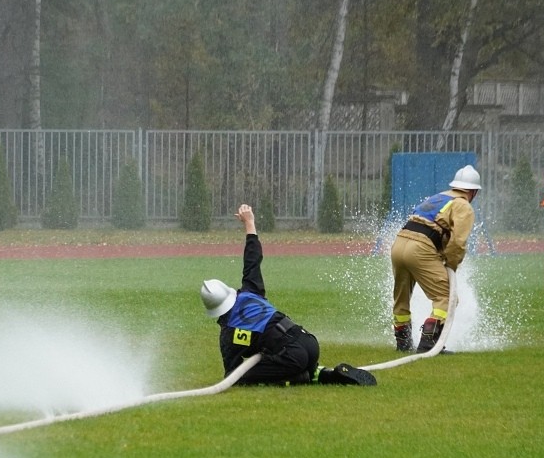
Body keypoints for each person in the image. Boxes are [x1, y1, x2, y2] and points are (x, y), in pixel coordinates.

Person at [200, 203, 376, 387]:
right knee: (283, 359)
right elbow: (252, 259)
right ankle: (327, 375)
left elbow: (231, 376)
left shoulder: (229, 332)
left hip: (292, 355)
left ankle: (297, 378)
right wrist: (249, 222)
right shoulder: (249, 292)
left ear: (215, 311)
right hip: (308, 341)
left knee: (242, 378)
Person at [390, 164, 481, 353]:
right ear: (473, 192)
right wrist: (451, 263)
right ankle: (428, 342)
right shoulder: (463, 205)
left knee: (401, 297)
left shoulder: (438, 197)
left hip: (399, 243)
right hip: (420, 248)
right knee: (446, 297)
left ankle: (403, 342)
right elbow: (458, 242)